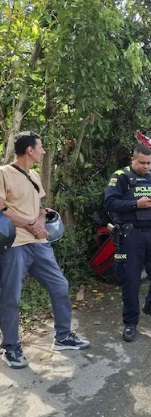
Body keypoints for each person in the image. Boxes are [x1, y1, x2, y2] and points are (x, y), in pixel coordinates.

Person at [0, 132, 90, 368]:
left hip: (39, 244)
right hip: (14, 245)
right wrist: (30, 225)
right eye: (40, 147)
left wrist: (40, 221)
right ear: (29, 150)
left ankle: (63, 337)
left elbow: (40, 206)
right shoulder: (3, 173)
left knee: (60, 285)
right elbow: (2, 210)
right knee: (11, 296)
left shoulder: (34, 175)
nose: (43, 151)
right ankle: (11, 348)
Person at [104, 143, 151, 342]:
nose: (146, 167)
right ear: (132, 160)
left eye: (149, 163)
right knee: (130, 280)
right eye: (142, 163)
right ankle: (130, 323)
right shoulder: (121, 177)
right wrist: (136, 204)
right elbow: (109, 203)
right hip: (131, 236)